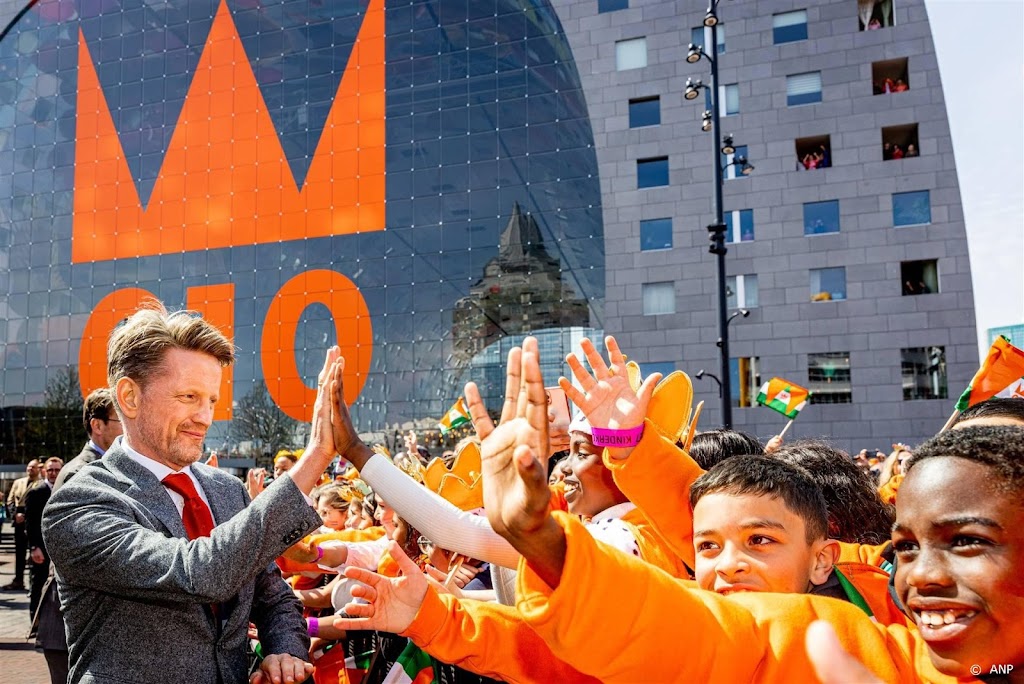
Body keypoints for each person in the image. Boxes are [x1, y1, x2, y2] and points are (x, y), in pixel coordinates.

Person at [44, 303, 344, 684]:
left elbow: (274, 597)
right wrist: (315, 457)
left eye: (212, 400)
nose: (205, 417)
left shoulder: (227, 491)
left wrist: (284, 650)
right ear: (130, 397)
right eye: (189, 397)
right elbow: (198, 572)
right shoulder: (77, 503)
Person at [52, 388, 123, 494]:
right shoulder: (78, 474)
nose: (130, 429)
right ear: (97, 426)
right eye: (122, 421)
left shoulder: (114, 465)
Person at [26, 457, 62, 618]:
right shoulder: (36, 492)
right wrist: (34, 547)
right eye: (50, 470)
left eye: (56, 470)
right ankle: (34, 620)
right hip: (41, 549)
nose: (53, 473)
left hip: (60, 550)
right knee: (38, 584)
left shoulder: (66, 490)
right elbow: (30, 523)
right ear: (44, 471)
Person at [2, 459, 41, 591]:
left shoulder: (41, 483)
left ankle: (34, 582)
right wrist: (14, 515)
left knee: (34, 551)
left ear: (38, 469)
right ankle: (18, 580)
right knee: (19, 552)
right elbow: (10, 500)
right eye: (29, 467)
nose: (30, 469)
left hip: (33, 519)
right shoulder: (18, 482)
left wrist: (28, 516)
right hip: (19, 519)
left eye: (33, 467)